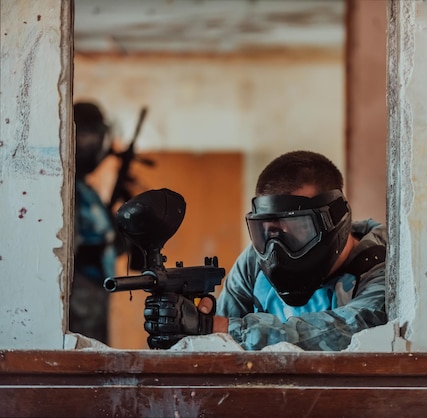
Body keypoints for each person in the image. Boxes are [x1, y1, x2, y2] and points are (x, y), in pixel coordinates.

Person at [144, 150, 387, 350]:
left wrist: (218, 328)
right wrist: (188, 325)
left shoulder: (381, 264)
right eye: (268, 232)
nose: (277, 248)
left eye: (296, 228)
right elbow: (217, 340)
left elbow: (353, 332)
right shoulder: (254, 261)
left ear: (335, 221)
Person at [69, 102, 117, 344]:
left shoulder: (86, 190)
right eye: (87, 135)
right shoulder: (65, 190)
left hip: (96, 293)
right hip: (79, 297)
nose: (94, 145)